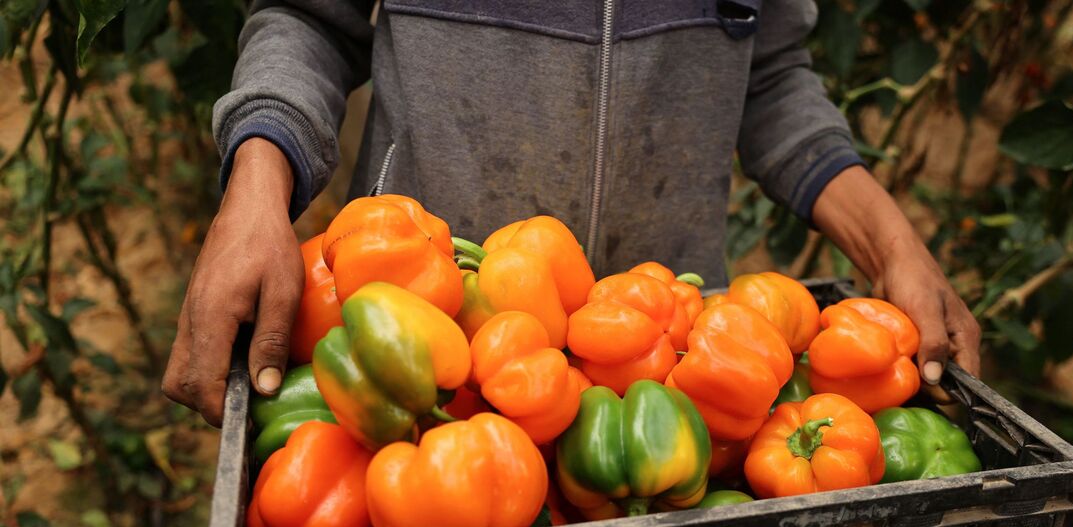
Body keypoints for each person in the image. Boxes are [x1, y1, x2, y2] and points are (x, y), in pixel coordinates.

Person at [162, 0, 981, 425]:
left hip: (673, 368)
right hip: (422, 353)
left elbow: (768, 75)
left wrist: (892, 244)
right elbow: (311, 17)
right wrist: (255, 187)